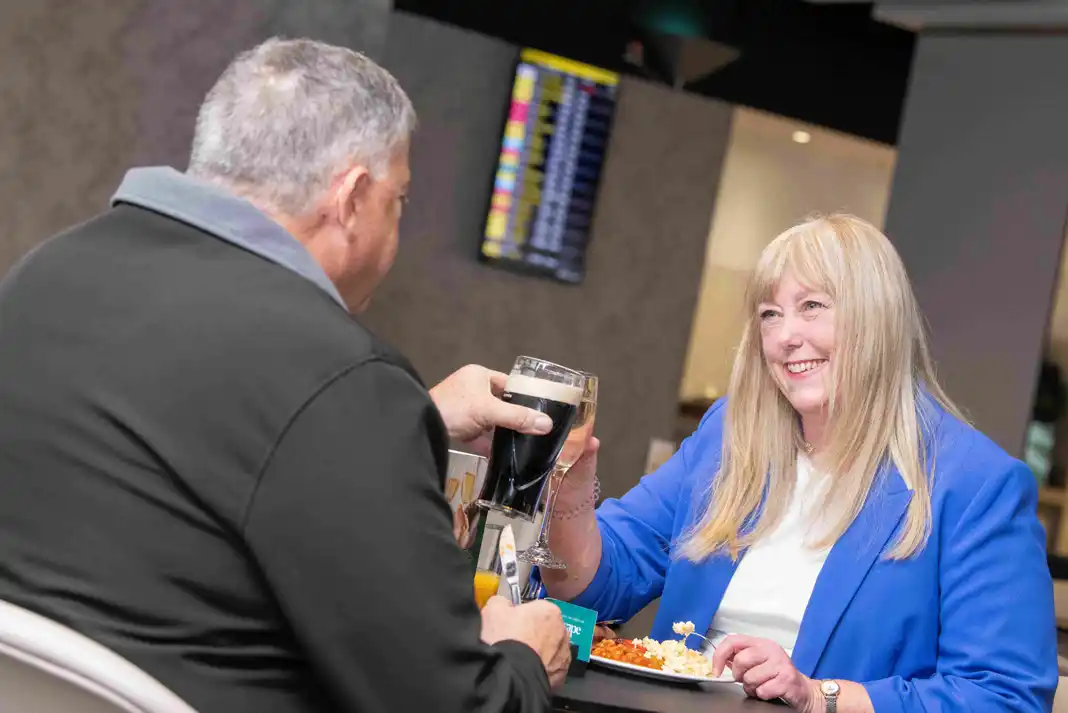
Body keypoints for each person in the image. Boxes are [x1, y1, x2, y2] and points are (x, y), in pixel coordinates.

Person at [0, 38, 570, 713]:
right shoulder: (337, 376)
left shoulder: (44, 277)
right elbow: (453, 704)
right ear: (354, 197)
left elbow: (199, 431)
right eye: (401, 201)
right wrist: (524, 657)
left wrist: (400, 427)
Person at [544, 214, 1058, 712]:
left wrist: (818, 698)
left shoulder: (975, 484)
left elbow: (1002, 697)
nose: (786, 335)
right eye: (770, 313)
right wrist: (569, 501)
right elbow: (595, 588)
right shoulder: (728, 435)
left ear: (875, 318)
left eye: (812, 306)